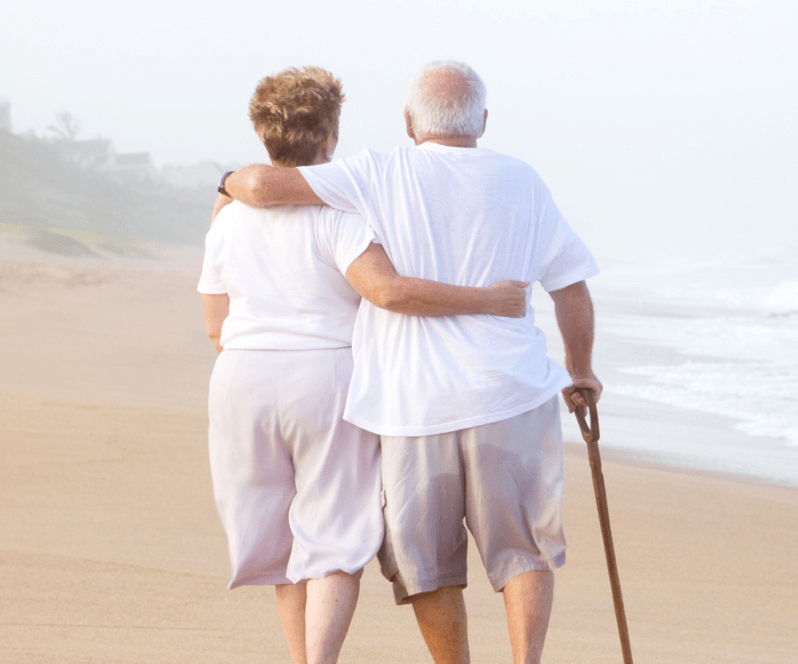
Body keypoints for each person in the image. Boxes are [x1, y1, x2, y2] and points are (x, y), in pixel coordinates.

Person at [218, 61, 602, 664]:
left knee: (426, 564)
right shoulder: (521, 180)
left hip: (411, 406)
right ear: (482, 120)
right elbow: (570, 285)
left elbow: (264, 188)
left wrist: (225, 180)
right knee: (524, 548)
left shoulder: (378, 171)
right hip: (510, 394)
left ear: (407, 122)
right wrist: (580, 372)